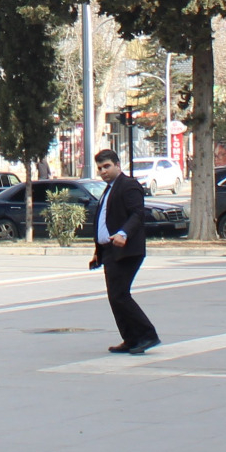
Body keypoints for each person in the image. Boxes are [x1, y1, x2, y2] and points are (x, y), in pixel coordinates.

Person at [90, 148, 158, 355]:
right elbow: (104, 222)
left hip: (126, 250)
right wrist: (98, 252)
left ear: (118, 165)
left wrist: (123, 234)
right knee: (115, 296)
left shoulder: (128, 185)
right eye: (100, 168)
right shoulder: (108, 190)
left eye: (107, 166)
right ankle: (130, 338)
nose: (103, 171)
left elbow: (137, 214)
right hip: (110, 251)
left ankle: (147, 335)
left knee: (120, 295)